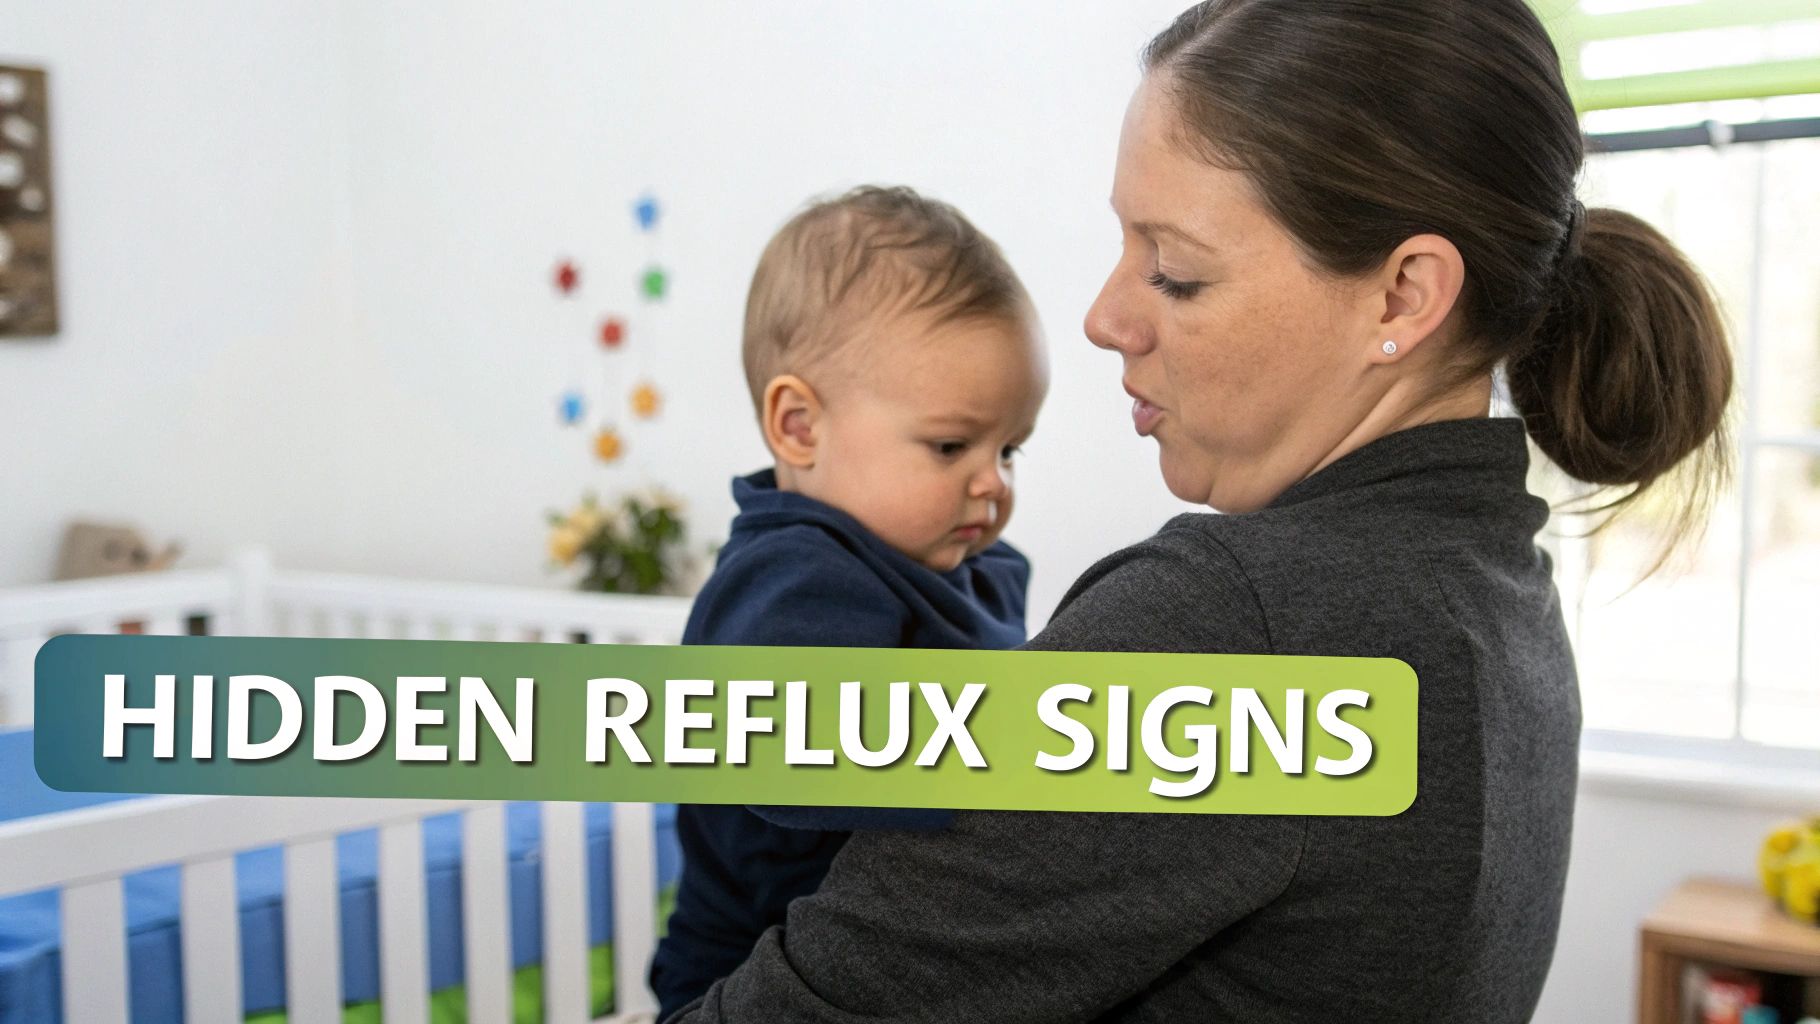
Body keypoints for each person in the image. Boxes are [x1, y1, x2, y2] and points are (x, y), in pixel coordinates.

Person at [666, 1, 1733, 1021]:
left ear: (1402, 295)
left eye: (1172, 271)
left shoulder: (1238, 624)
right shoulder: (1498, 593)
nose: (1102, 316)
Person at [649, 184, 1050, 1019]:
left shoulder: (981, 567)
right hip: (752, 978)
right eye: (951, 444)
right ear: (799, 427)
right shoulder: (792, 574)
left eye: (1009, 448)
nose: (993, 482)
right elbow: (798, 753)